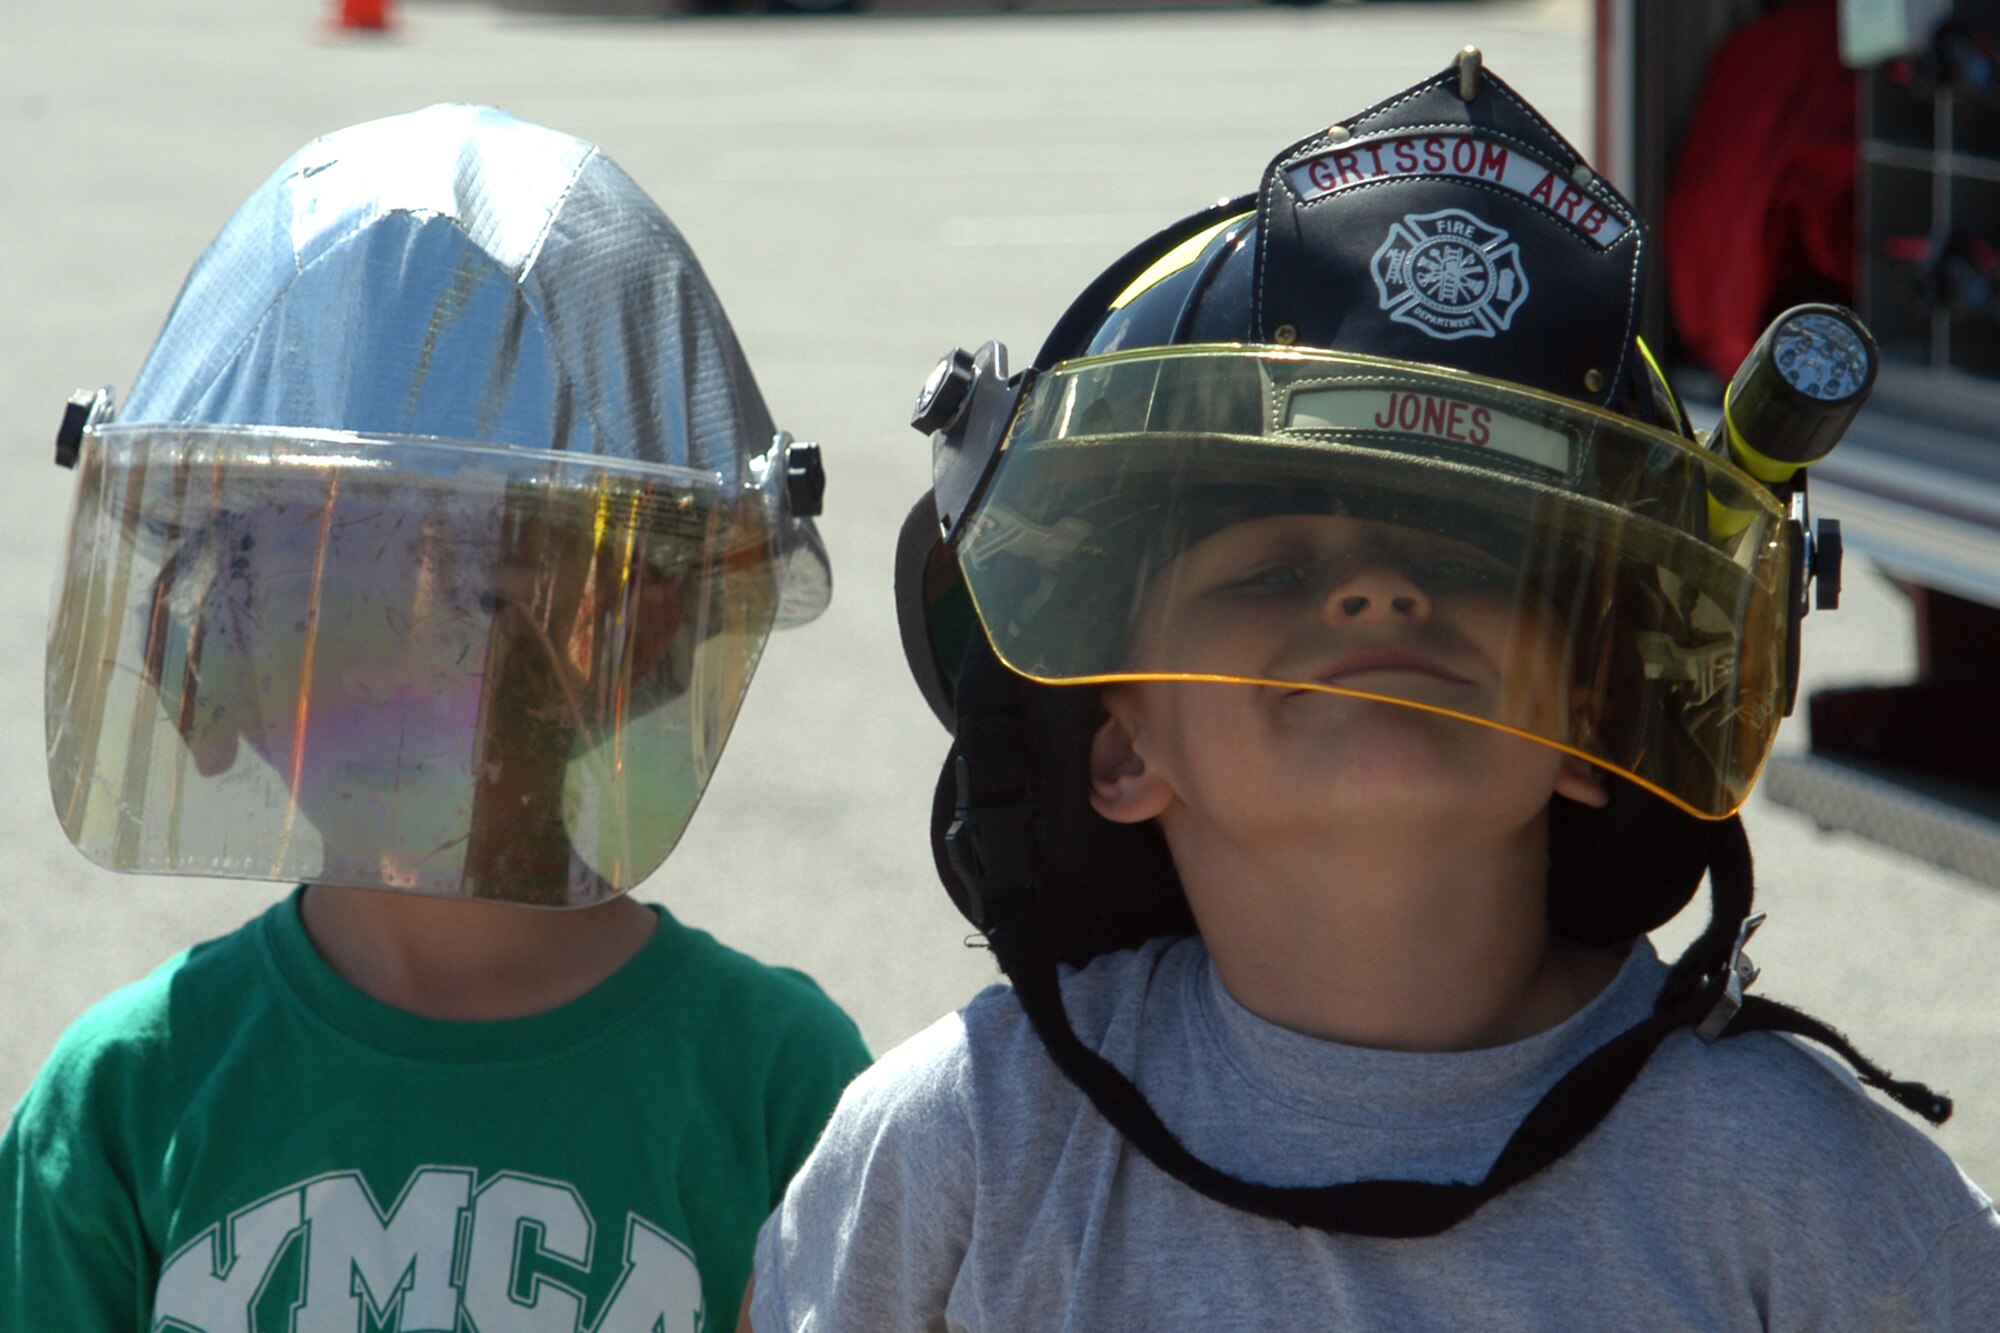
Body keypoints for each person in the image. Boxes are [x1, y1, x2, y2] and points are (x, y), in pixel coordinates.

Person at [749, 52, 2000, 1329]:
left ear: (1593, 721)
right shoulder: (968, 1152)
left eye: (1462, 559)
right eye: (1275, 567)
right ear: (1117, 747)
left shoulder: (1806, 1193)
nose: (1374, 593)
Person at [2, 103, 869, 1331]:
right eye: (313, 602)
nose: (395, 682)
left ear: (642, 642)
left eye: (466, 601)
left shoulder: (771, 1081)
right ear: (217, 653)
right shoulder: (124, 1100)